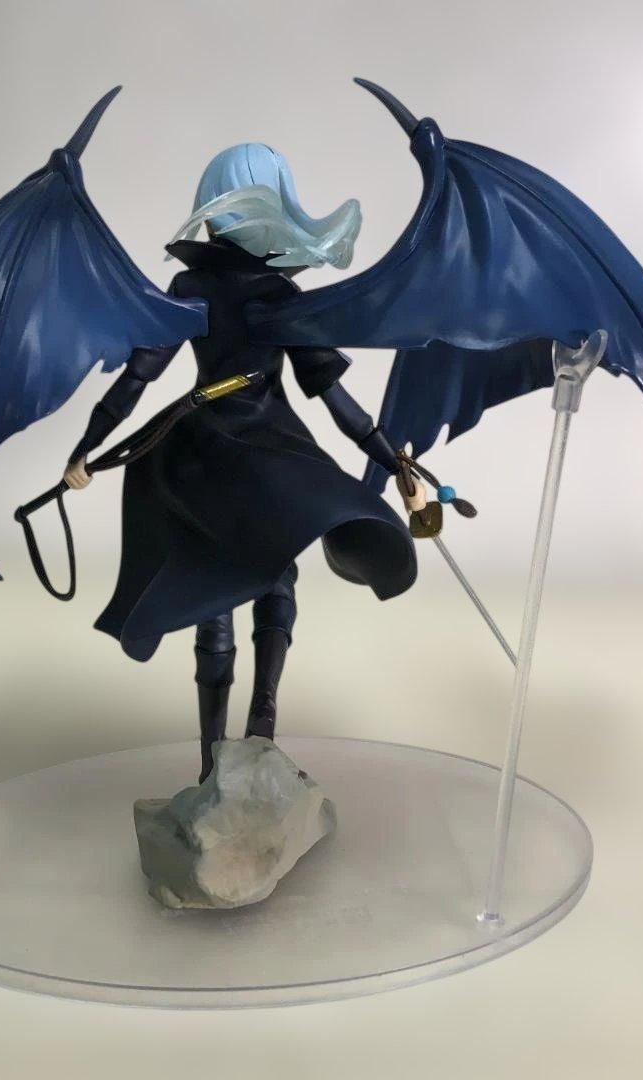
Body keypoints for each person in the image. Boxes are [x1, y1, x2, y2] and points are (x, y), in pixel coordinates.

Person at [64, 144, 420, 781]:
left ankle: (231, 745)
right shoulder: (269, 293)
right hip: (264, 449)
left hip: (208, 451)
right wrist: (391, 460)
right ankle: (249, 730)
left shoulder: (205, 290)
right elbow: (337, 401)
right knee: (266, 579)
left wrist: (85, 446)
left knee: (223, 588)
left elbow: (136, 381)